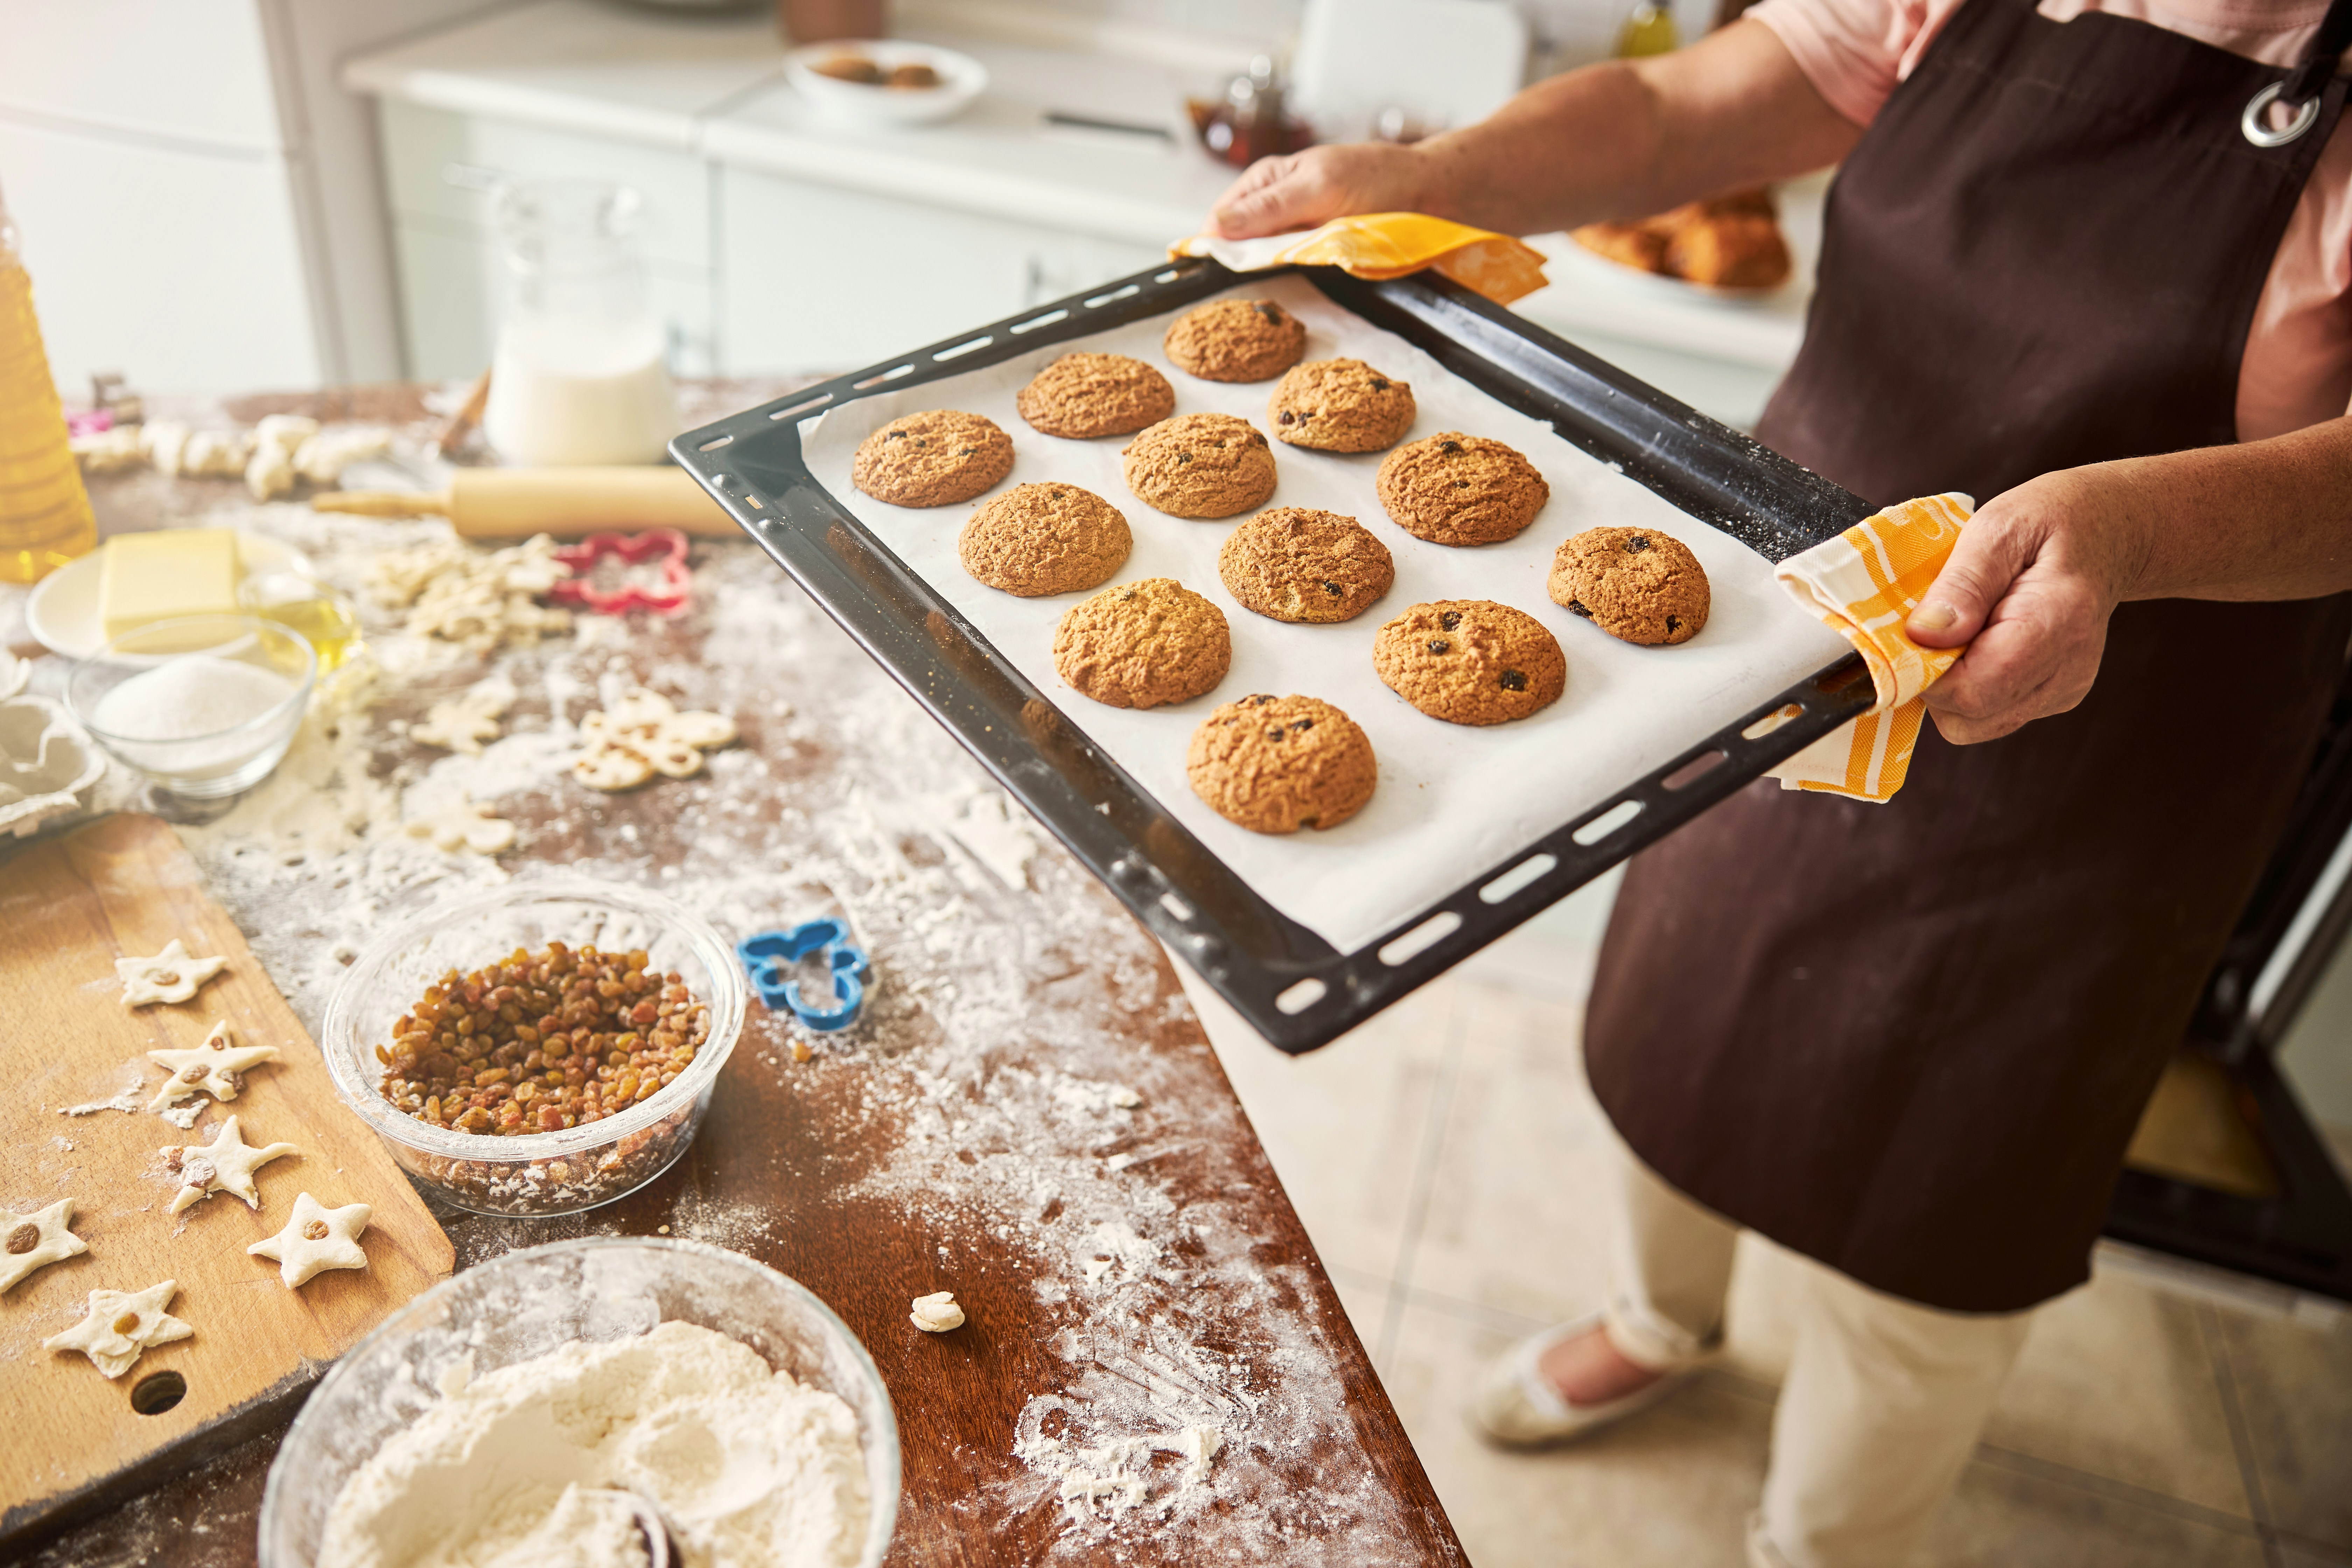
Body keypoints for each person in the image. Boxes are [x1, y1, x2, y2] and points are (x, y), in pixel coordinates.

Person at [1211, 1, 2352, 1563]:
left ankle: (1824, 1540)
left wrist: (2128, 533)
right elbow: (1683, 115)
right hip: (1775, 625)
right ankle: (1661, 1321)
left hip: (2108, 732)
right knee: (1683, 1023)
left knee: (1941, 1203)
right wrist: (1439, 175)